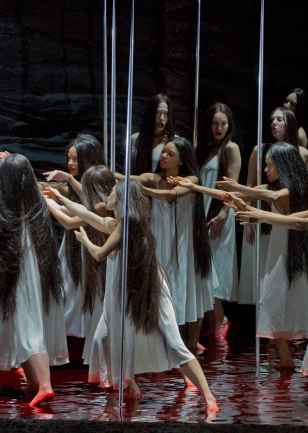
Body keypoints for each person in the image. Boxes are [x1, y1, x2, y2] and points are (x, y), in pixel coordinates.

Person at [59, 179, 218, 412]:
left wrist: (85, 240)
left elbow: (100, 254)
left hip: (150, 288)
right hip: (128, 291)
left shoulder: (127, 225)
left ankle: (208, 395)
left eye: (112, 192)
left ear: (122, 198)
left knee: (174, 343)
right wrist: (56, 197)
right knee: (102, 339)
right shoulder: (118, 223)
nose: (107, 196)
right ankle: (129, 385)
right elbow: (84, 212)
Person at [180, 142, 308, 369]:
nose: (266, 170)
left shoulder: (286, 192)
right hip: (279, 256)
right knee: (271, 300)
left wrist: (248, 202)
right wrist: (199, 189)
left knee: (290, 301)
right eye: (265, 165)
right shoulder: (276, 189)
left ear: (285, 166)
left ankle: (290, 358)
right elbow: (236, 193)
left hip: (294, 257)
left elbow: (253, 194)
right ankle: (286, 359)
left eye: (270, 165)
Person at [0, 154, 68, 407]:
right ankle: (36, 386)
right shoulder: (35, 197)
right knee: (24, 324)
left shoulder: (3, 202)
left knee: (27, 327)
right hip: (37, 263)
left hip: (18, 268)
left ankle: (45, 385)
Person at [123, 137, 216, 351]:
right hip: (159, 239)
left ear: (182, 161)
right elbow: (127, 177)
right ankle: (161, 337)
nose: (163, 156)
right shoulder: (153, 177)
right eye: (163, 152)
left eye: (170, 154)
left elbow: (170, 196)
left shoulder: (190, 179)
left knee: (191, 286)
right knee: (160, 287)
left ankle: (193, 341)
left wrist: (142, 191)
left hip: (184, 242)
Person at [43, 165, 114, 361]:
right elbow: (77, 208)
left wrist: (49, 201)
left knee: (107, 319)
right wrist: (57, 198)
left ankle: (114, 371)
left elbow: (69, 220)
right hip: (107, 265)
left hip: (110, 266)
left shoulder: (103, 206)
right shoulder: (104, 202)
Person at [238, 107, 308, 304]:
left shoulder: (301, 153)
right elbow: (250, 185)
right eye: (272, 119)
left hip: (292, 218)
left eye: (280, 119)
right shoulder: (259, 150)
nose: (274, 123)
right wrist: (248, 221)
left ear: (290, 123)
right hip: (265, 215)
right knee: (267, 270)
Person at [42, 134, 105, 339]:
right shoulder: (72, 186)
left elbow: (90, 202)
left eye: (75, 159)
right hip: (72, 248)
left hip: (94, 249)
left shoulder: (100, 183)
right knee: (64, 294)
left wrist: (67, 180)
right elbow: (44, 187)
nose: (70, 163)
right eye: (69, 158)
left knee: (91, 297)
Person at [195, 103, 241, 338]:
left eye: (223, 123)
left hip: (220, 214)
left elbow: (233, 188)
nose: (219, 127)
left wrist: (223, 215)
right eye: (215, 123)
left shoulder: (231, 149)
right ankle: (217, 320)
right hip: (203, 213)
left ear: (229, 124)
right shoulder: (206, 149)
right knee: (203, 268)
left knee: (211, 269)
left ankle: (220, 319)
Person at [131, 93, 177, 174]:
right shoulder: (135, 139)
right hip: (135, 185)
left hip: (160, 186)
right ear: (150, 113)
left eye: (165, 113)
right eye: (157, 112)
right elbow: (126, 172)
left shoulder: (174, 141)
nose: (161, 118)